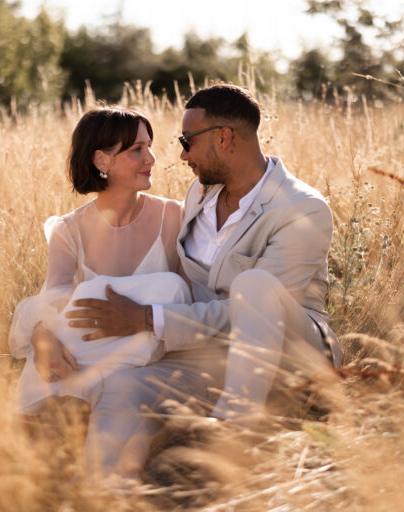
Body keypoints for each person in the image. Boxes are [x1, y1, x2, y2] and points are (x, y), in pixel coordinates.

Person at [66, 84, 344, 476]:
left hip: (288, 360)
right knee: (125, 385)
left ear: (223, 138)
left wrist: (148, 318)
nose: (180, 155)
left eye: (186, 141)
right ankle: (103, 488)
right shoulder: (198, 193)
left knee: (254, 286)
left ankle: (233, 432)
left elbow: (254, 315)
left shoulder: (301, 209)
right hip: (208, 357)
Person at [7, 107, 188, 417]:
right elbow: (54, 298)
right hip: (90, 346)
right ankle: (43, 416)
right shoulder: (69, 229)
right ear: (102, 160)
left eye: (150, 146)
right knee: (71, 317)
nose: (151, 158)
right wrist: (41, 335)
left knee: (168, 287)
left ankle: (77, 402)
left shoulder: (173, 216)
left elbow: (187, 299)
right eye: (137, 150)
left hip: (150, 349)